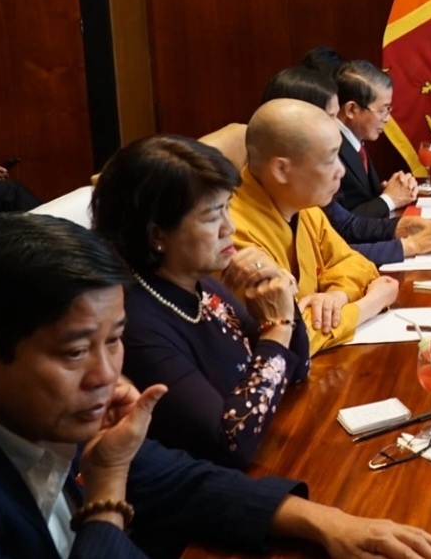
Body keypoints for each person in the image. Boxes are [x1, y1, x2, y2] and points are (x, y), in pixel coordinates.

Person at [0, 213, 431, 559]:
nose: (106, 375)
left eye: (113, 340)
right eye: (74, 352)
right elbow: (225, 441)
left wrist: (329, 522)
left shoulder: (57, 416)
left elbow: (182, 481)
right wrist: (107, 496)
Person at [90, 135, 309, 469]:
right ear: (157, 234)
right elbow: (229, 443)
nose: (229, 228)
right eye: (211, 217)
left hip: (272, 455)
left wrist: (278, 294)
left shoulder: (201, 282)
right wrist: (277, 327)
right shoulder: (134, 323)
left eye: (227, 208)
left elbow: (295, 371)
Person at [229, 99, 396, 354]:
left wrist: (336, 295)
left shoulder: (303, 206)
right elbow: (289, 337)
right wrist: (371, 304)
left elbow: (356, 263)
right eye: (330, 160)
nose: (341, 171)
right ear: (281, 169)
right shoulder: (231, 232)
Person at [262, 66, 431, 265]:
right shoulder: (253, 224)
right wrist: (410, 245)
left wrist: (401, 227)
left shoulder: (303, 192)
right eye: (329, 118)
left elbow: (346, 225)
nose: (338, 126)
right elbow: (326, 259)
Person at [333, 61, 418, 219]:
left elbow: (361, 198)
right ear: (351, 109)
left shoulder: (355, 140)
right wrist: (389, 200)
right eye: (382, 110)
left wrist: (393, 191)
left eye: (388, 109)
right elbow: (339, 222)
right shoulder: (329, 147)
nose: (387, 118)